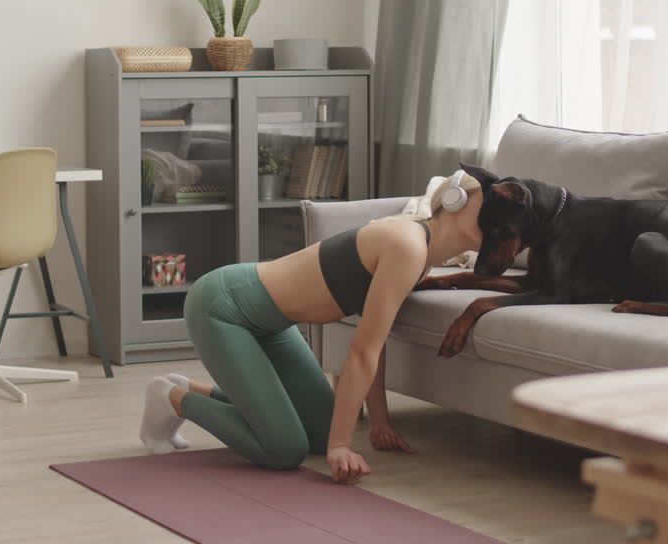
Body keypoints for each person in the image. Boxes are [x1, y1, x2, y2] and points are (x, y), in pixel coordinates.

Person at [138, 171, 486, 485]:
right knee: (283, 450)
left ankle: (192, 388)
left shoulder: (421, 255)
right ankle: (171, 398)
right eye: (488, 210)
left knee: (320, 433)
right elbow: (362, 353)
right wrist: (342, 447)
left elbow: (372, 339)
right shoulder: (408, 244)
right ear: (456, 202)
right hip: (224, 307)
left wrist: (377, 422)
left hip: (272, 324)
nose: (496, 223)